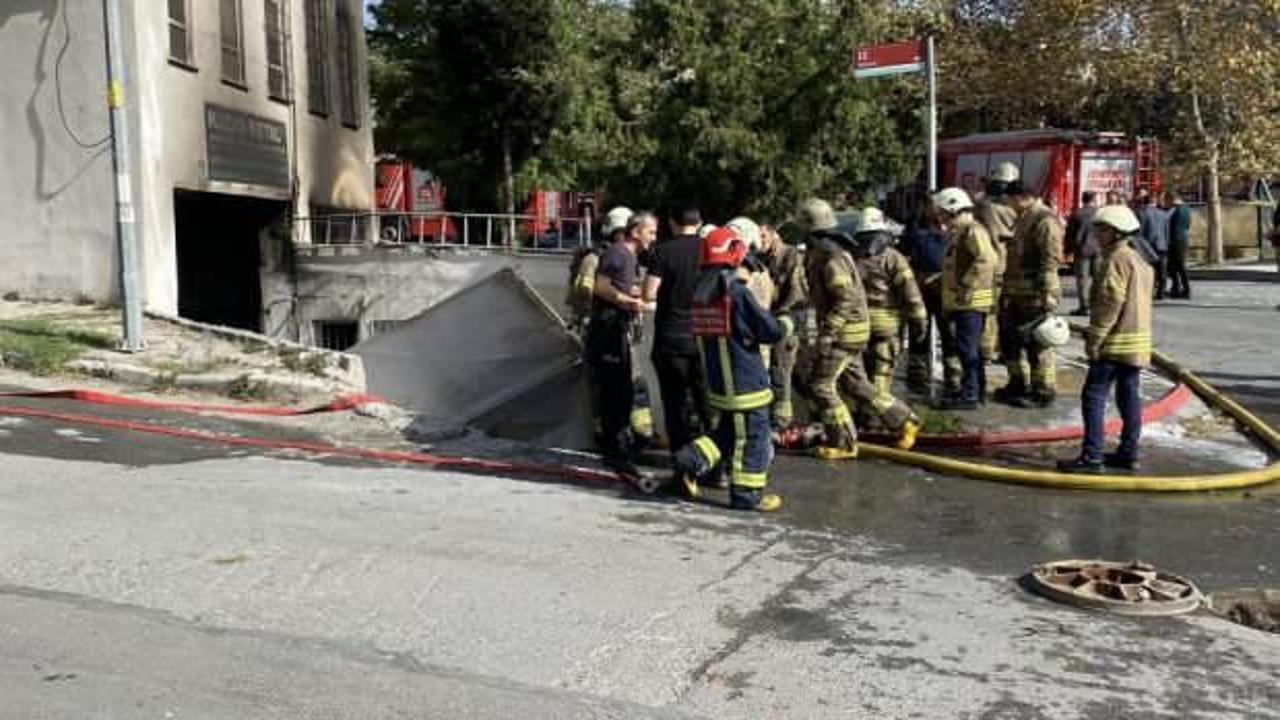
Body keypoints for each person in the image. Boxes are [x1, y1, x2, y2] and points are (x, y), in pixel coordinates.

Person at [673, 226, 792, 511]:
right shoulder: (736, 293)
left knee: (726, 435)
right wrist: (788, 322)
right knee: (753, 440)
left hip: (720, 383)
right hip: (745, 384)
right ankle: (747, 496)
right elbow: (769, 331)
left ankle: (688, 462)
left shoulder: (701, 291)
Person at [799, 198, 920, 460]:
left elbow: (845, 298)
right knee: (856, 384)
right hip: (854, 331)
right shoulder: (831, 251)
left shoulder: (831, 257)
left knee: (820, 385)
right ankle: (904, 419)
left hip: (845, 333)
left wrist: (829, 332)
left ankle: (843, 442)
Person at [1058, 205, 1154, 474]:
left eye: (1101, 229)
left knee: (1093, 397)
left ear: (1115, 232)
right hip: (1136, 344)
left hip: (1114, 342)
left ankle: (1091, 457)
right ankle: (1128, 452)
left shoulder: (1114, 260)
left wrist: (1095, 339)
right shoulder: (1139, 259)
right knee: (1129, 398)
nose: (1097, 234)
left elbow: (1109, 302)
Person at [585, 211, 657, 477]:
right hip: (608, 332)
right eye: (651, 232)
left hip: (618, 332)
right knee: (615, 393)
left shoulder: (629, 258)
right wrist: (625, 301)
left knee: (622, 391)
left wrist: (636, 295)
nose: (654, 238)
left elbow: (620, 285)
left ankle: (618, 448)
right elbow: (600, 287)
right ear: (635, 231)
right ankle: (615, 453)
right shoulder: (618, 253)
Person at [644, 208, 712, 460]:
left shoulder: (662, 252)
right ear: (700, 223)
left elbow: (649, 293)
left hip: (671, 337)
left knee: (675, 404)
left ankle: (683, 467)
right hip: (705, 337)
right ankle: (717, 465)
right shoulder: (709, 250)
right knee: (706, 403)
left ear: (672, 223)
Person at [850, 207, 928, 424]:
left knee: (860, 373)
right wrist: (920, 321)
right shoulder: (894, 258)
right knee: (881, 374)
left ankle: (863, 413)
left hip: (859, 325)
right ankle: (877, 417)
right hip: (887, 327)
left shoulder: (852, 258)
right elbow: (911, 292)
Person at [996, 182, 1065, 408]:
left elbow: (1050, 259)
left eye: (1011, 200)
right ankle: (1018, 383)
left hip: (1035, 294)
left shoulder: (1045, 220)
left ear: (1023, 197)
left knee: (1038, 344)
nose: (1008, 205)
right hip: (1015, 293)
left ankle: (1043, 390)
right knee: (1011, 342)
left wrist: (1048, 293)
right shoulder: (1024, 217)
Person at [934, 188, 998, 410]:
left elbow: (987, 259)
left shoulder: (972, 230)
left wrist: (965, 285)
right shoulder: (959, 231)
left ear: (953, 209)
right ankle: (974, 391)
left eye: (942, 213)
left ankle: (970, 395)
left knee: (968, 349)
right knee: (969, 349)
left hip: (970, 302)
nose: (940, 218)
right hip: (962, 301)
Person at [757, 221, 808, 432]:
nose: (759, 242)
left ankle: (781, 421)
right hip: (769, 322)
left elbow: (796, 295)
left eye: (763, 237)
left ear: (773, 234)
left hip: (787, 321)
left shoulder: (791, 257)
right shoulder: (761, 258)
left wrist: (779, 321)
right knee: (785, 373)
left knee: (781, 370)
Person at [901, 195, 948, 394]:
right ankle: (918, 376)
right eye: (929, 205)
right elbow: (904, 250)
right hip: (920, 285)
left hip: (945, 284)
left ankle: (953, 377)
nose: (933, 209)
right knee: (919, 330)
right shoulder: (914, 225)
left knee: (948, 333)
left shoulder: (951, 225)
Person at [975, 162, 1019, 363]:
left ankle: (986, 350)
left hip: (992, 266)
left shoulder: (983, 205)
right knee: (1006, 312)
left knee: (990, 310)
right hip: (1011, 266)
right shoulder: (1017, 209)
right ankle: (1003, 350)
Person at [566, 206, 632, 335]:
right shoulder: (594, 258)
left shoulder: (627, 257)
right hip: (597, 317)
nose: (628, 239)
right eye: (625, 234)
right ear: (616, 233)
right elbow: (584, 290)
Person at [1065, 192, 1100, 315]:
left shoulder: (1076, 214)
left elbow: (1069, 234)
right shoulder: (1099, 213)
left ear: (1082, 199)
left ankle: (1084, 307)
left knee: (1082, 280)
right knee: (1098, 279)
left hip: (1081, 250)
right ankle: (1097, 305)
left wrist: (1067, 251)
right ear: (1094, 199)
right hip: (1098, 250)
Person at [1138, 192, 1170, 299]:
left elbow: (1140, 232)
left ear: (1144, 201)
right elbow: (1166, 231)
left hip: (1147, 246)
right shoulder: (1163, 214)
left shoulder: (1141, 213)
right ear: (1155, 202)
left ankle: (1149, 291)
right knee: (1162, 271)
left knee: (1148, 270)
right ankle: (1161, 292)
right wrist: (1166, 242)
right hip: (1162, 245)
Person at [1164, 191, 1192, 298]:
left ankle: (1183, 289)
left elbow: (1171, 226)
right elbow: (1188, 224)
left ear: (1171, 199)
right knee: (1178, 266)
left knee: (1176, 266)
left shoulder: (1175, 209)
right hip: (1183, 239)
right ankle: (1179, 288)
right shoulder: (1186, 209)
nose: (1165, 203)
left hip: (1175, 240)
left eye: (1166, 201)